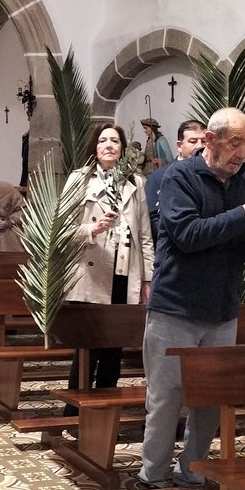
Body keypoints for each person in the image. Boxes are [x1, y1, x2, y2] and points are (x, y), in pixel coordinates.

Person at [138, 107, 245, 490]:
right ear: (211, 140)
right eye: (235, 143)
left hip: (222, 311)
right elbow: (188, 236)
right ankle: (153, 477)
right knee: (167, 398)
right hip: (175, 308)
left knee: (210, 401)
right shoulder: (179, 177)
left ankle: (192, 471)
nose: (242, 153)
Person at [63, 123, 154, 415]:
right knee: (87, 348)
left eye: (115, 140)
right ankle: (74, 413)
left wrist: (148, 279)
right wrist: (92, 228)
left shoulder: (136, 182)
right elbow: (61, 229)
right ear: (95, 146)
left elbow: (145, 235)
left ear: (122, 148)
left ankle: (104, 413)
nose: (109, 145)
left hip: (124, 273)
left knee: (114, 348)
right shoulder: (80, 178)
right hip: (90, 273)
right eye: (103, 140)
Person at [145, 119, 207, 243]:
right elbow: (154, 218)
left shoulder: (214, 175)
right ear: (179, 146)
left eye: (204, 141)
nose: (200, 146)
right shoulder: (159, 177)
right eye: (193, 141)